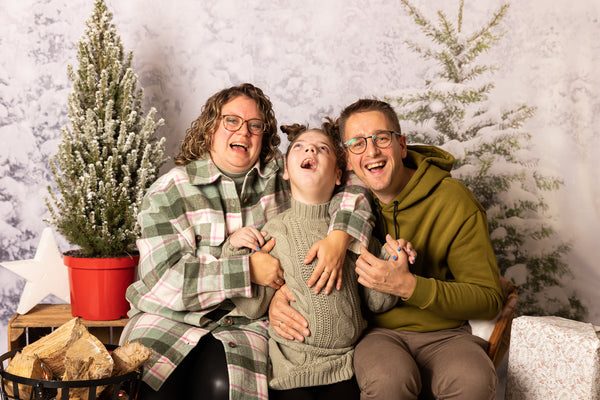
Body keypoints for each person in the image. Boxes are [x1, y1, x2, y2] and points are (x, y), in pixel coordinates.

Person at [119, 83, 374, 400]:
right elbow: (163, 280)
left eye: (255, 125)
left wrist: (338, 237)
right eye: (232, 121)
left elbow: (354, 183)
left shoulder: (280, 175)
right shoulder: (170, 191)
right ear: (211, 128)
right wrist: (247, 271)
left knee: (224, 387)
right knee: (149, 383)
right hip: (169, 317)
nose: (245, 131)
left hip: (246, 321)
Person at [269, 99, 504, 400]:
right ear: (347, 160)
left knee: (472, 379)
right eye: (357, 144)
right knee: (388, 381)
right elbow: (298, 249)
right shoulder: (341, 199)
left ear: (402, 145)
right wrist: (280, 294)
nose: (372, 152)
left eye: (381, 138)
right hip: (376, 334)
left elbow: (489, 299)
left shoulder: (455, 202)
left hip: (446, 335)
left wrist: (409, 286)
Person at [221, 122, 402, 400]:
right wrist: (233, 252)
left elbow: (377, 302)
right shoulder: (273, 232)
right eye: (300, 148)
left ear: (339, 174)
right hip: (292, 370)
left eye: (322, 149)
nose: (311, 150)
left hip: (346, 365)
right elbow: (254, 306)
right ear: (285, 172)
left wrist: (391, 261)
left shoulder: (352, 230)